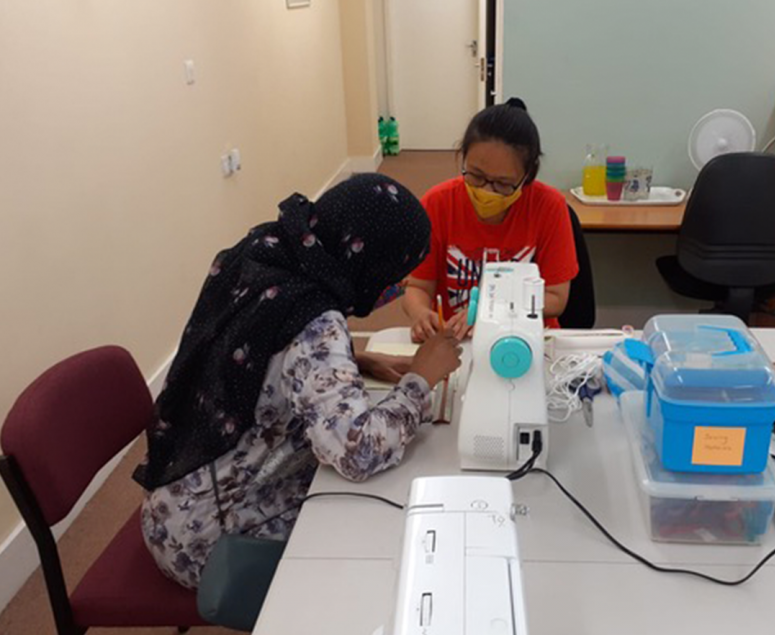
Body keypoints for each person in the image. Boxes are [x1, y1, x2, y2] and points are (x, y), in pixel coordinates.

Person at [133, 174, 461, 589]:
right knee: (386, 517)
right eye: (393, 274)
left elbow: (253, 347)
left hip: (174, 498)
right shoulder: (316, 321)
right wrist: (420, 379)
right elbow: (355, 452)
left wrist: (352, 361)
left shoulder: (265, 251)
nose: (393, 288)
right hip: (210, 541)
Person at [403, 98, 579, 342]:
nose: (487, 191)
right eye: (476, 176)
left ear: (528, 176)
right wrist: (420, 314)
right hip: (457, 340)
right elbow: (418, 287)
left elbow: (556, 298)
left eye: (503, 184)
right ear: (462, 157)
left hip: (528, 339)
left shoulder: (549, 206)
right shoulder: (437, 203)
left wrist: (489, 312)